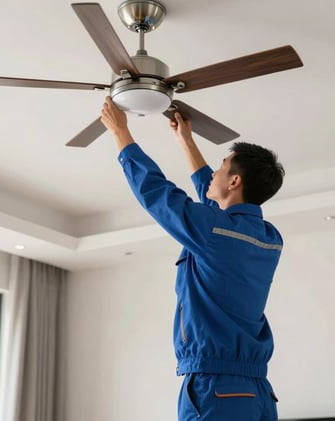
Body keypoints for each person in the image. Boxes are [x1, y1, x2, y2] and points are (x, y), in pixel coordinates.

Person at [100, 96, 284, 421]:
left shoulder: (215, 232)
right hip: (256, 392)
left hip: (217, 389)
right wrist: (185, 140)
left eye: (222, 167)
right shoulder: (267, 238)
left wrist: (121, 133)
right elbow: (214, 203)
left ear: (234, 181)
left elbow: (157, 194)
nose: (213, 172)